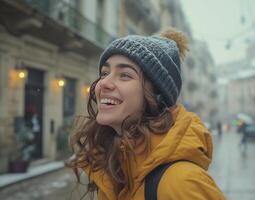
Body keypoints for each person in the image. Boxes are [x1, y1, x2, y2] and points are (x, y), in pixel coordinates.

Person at [66, 28, 226, 200]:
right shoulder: (115, 167)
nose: (104, 83)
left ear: (155, 96)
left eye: (125, 75)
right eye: (105, 73)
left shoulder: (182, 183)